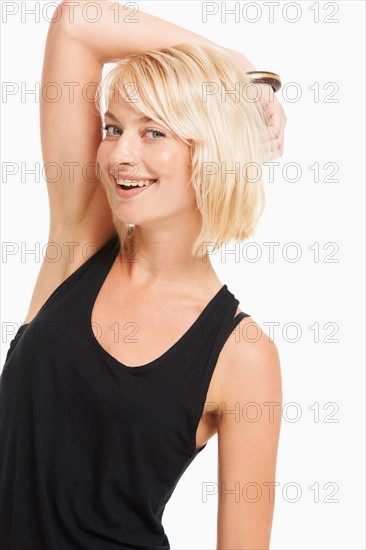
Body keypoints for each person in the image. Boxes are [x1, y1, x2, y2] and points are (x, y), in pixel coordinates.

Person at [0, 1, 284, 548]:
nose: (118, 154)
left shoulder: (243, 354)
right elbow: (77, 25)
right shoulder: (79, 244)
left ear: (211, 154)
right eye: (113, 127)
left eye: (153, 133)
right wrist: (233, 63)